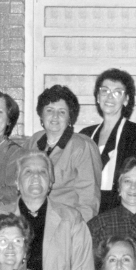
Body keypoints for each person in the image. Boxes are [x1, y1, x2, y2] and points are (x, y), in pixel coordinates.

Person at [0, 151, 95, 270]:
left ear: (50, 182)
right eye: (28, 171)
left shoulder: (71, 220)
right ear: (17, 181)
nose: (36, 176)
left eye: (42, 171)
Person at [24, 85, 102, 222]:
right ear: (41, 115)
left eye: (62, 112)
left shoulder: (82, 146)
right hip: (33, 219)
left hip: (66, 223)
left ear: (70, 118)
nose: (55, 116)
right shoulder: (33, 142)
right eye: (49, 110)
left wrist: (76, 230)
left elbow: (89, 201)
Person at [80, 69, 136, 214]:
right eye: (104, 91)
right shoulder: (84, 135)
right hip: (86, 208)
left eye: (117, 92)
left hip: (120, 210)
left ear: (126, 100)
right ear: (97, 97)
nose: (110, 97)